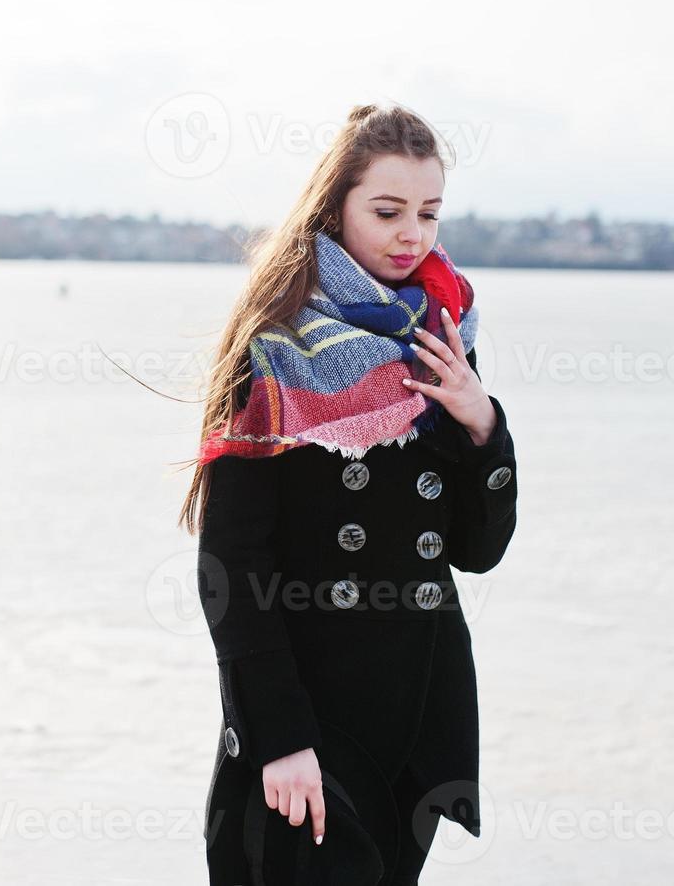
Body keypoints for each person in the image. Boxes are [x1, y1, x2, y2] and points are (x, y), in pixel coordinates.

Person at [177, 102, 520, 886]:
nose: (413, 234)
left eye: (429, 213)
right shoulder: (273, 347)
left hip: (414, 717)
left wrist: (481, 425)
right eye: (388, 211)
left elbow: (476, 552)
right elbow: (229, 561)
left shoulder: (442, 338)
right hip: (307, 723)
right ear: (336, 208)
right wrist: (278, 735)